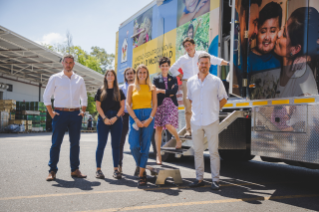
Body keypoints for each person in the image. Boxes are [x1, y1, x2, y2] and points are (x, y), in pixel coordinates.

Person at [170, 37, 229, 138]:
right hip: (188, 83)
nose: (188, 47)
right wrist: (181, 76)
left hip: (201, 81)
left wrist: (227, 63)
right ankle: (189, 130)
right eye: (185, 46)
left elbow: (214, 60)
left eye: (189, 45)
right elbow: (172, 69)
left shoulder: (201, 55)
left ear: (194, 45)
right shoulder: (183, 59)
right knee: (188, 108)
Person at [43, 54, 87, 181]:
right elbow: (47, 96)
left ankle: (75, 170)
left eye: (70, 62)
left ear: (74, 64)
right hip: (60, 114)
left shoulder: (79, 79)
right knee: (56, 143)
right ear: (62, 63)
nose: (68, 64)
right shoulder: (55, 78)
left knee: (75, 144)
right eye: (66, 62)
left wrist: (83, 112)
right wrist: (51, 113)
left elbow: (84, 97)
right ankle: (52, 171)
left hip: (75, 114)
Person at [187, 52, 227, 190]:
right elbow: (190, 99)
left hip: (211, 120)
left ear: (210, 65)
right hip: (196, 121)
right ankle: (199, 179)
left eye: (206, 63)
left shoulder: (216, 81)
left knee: (213, 151)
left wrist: (215, 110)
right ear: (198, 64)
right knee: (198, 151)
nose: (204, 65)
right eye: (201, 63)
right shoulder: (191, 82)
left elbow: (223, 98)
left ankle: (215, 180)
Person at [274, 7, 318, 97]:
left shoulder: (303, 75)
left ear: (295, 49)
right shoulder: (275, 65)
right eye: (283, 28)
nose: (278, 33)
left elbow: (307, 110)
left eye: (284, 34)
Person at [126, 64, 157, 186]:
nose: (142, 74)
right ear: (137, 74)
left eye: (144, 72)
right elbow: (128, 105)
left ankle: (142, 174)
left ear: (147, 74)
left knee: (145, 146)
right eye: (140, 72)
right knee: (133, 145)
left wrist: (150, 118)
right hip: (135, 116)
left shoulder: (152, 87)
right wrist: (135, 119)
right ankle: (141, 166)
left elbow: (155, 105)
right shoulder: (131, 87)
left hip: (148, 116)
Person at [95, 70, 125, 179]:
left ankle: (116, 170)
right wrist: (104, 118)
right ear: (105, 77)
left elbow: (122, 106)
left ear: (114, 77)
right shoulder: (101, 90)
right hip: (103, 119)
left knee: (116, 145)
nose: (110, 76)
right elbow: (98, 106)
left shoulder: (119, 91)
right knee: (101, 144)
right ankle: (98, 170)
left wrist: (116, 117)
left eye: (112, 75)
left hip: (116, 119)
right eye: (108, 75)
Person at [153, 57, 182, 165]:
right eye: (162, 66)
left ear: (169, 67)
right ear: (159, 67)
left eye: (166, 65)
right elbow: (156, 91)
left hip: (171, 104)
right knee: (158, 130)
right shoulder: (156, 79)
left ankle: (178, 139)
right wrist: (167, 92)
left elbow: (174, 91)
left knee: (168, 124)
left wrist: (161, 91)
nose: (164, 67)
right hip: (160, 105)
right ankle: (158, 155)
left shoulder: (173, 78)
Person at [247, 2, 282, 74]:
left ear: (279, 31)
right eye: (263, 31)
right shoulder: (248, 59)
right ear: (256, 32)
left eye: (272, 31)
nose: (267, 37)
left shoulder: (280, 57)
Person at [119, 67, 136, 173]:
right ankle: (119, 165)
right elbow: (116, 101)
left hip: (136, 117)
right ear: (125, 76)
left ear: (134, 75)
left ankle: (139, 166)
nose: (130, 75)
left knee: (135, 142)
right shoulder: (120, 88)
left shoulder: (138, 87)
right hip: (124, 116)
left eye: (131, 73)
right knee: (120, 142)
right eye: (128, 74)